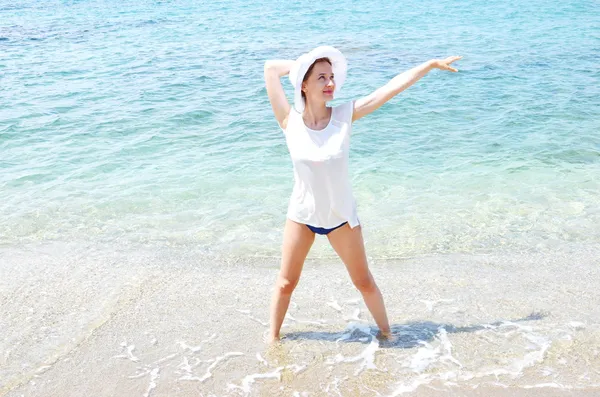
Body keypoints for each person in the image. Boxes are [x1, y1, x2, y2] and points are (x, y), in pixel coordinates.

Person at [263, 46, 462, 343]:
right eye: (321, 78)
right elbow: (269, 68)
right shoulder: (289, 121)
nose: (330, 83)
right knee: (285, 283)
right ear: (304, 84)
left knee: (364, 282)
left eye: (331, 77)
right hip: (302, 216)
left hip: (341, 218)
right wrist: (302, 64)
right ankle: (272, 341)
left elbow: (388, 90)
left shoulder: (344, 115)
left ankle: (387, 334)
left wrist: (428, 65)